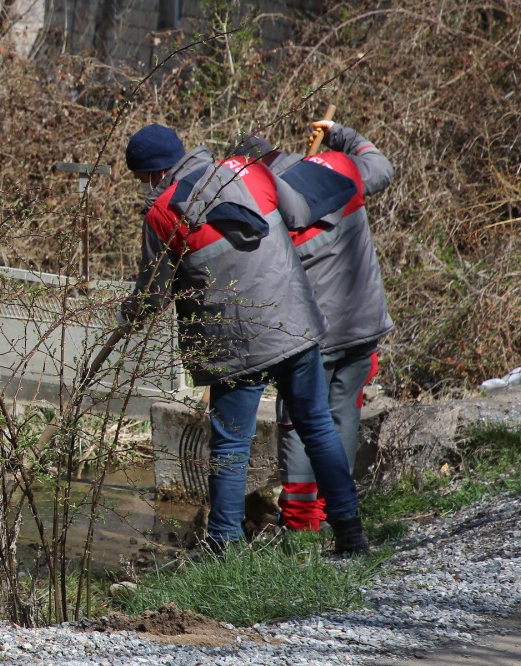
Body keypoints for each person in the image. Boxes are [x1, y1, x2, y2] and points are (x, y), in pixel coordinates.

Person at [121, 123, 370, 555]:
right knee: (317, 426)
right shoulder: (250, 170)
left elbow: (153, 296)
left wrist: (128, 314)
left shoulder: (162, 211)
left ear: (150, 174)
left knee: (232, 442)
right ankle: (351, 536)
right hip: (294, 323)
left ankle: (223, 548)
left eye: (141, 179)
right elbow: (297, 215)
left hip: (234, 342)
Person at [233, 122, 394, 532]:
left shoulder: (263, 202)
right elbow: (381, 167)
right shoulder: (337, 166)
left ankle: (302, 518)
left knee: (300, 422)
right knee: (343, 417)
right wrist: (340, 133)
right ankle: (336, 507)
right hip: (364, 322)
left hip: (312, 333)